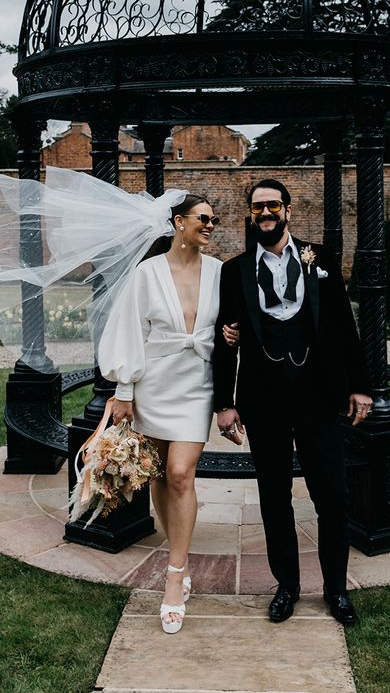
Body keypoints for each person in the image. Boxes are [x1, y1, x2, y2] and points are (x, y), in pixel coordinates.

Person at [212, 178, 372, 625]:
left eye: (273, 205)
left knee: (333, 496)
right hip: (264, 400)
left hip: (319, 395)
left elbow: (344, 326)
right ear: (250, 215)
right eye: (258, 207)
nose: (266, 213)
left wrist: (360, 386)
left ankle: (336, 590)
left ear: (287, 210)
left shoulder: (319, 258)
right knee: (274, 497)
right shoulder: (235, 270)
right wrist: (225, 402)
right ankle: (288, 586)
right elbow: (223, 340)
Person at [98, 194, 240, 634]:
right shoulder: (147, 273)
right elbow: (129, 331)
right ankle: (175, 552)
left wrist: (234, 334)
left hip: (197, 386)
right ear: (179, 222)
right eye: (204, 218)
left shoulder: (221, 273)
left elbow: (236, 321)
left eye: (214, 220)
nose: (211, 225)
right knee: (159, 475)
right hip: (153, 385)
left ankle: (174, 577)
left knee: (180, 473)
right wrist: (124, 389)